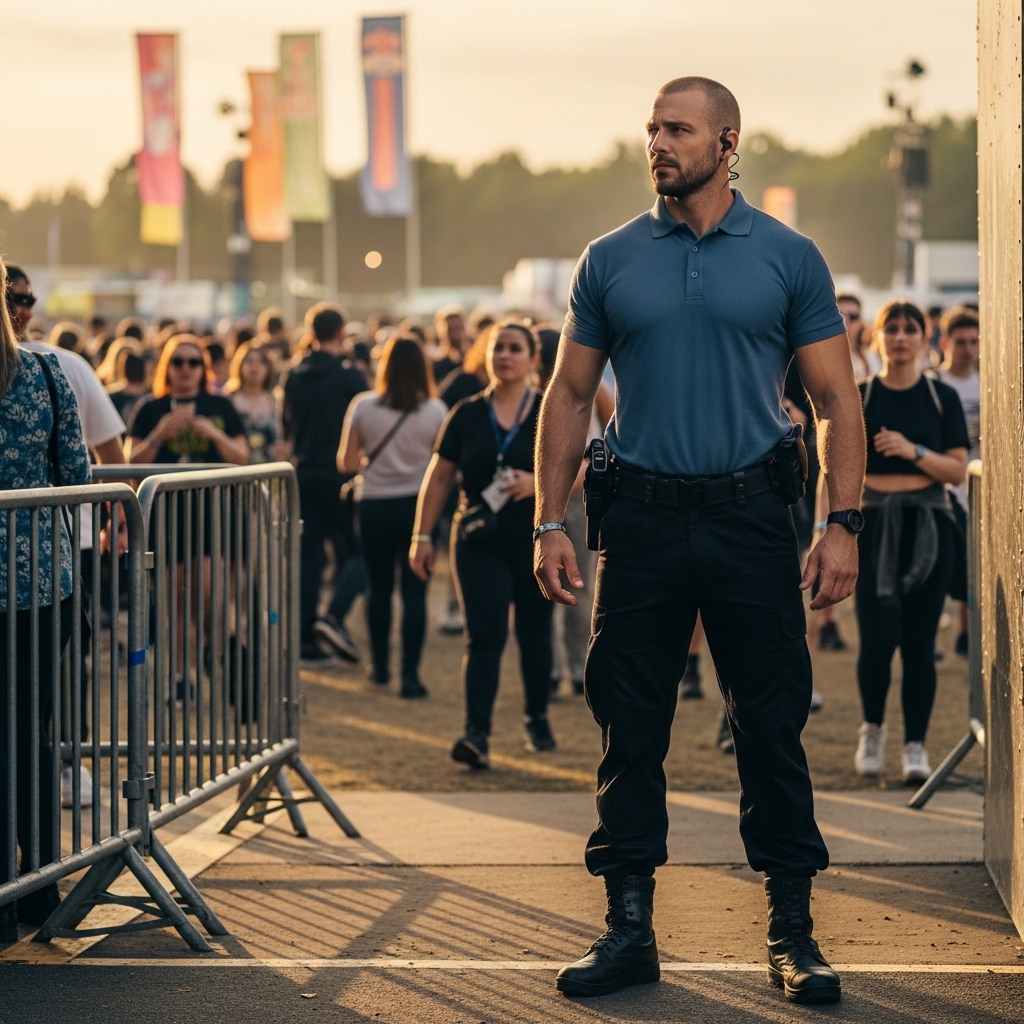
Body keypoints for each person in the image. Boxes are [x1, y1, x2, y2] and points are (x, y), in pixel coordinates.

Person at [534, 78, 865, 1003]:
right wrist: (549, 520)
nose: (657, 143)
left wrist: (842, 524)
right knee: (628, 725)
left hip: (752, 516)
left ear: (727, 142)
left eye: (676, 129)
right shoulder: (609, 259)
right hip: (637, 519)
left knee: (771, 724)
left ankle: (792, 933)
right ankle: (628, 930)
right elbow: (566, 394)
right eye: (651, 128)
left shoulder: (788, 256)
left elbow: (836, 401)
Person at [411, 320, 555, 767]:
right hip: (477, 539)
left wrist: (537, 483)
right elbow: (438, 477)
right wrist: (421, 535)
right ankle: (476, 734)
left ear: (533, 359)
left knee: (534, 632)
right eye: (498, 348)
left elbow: (586, 468)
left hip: (535, 539)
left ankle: (536, 715)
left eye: (515, 348)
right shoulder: (467, 412)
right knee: (485, 634)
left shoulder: (550, 410)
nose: (505, 356)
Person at [1, 256, 92, 941]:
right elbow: (78, 472)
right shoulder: (45, 373)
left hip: (32, 578)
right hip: (39, 577)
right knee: (31, 729)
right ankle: (37, 879)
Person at [845, 301, 968, 783]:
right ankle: (871, 730)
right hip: (873, 523)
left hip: (930, 525)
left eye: (909, 329)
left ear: (923, 338)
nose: (900, 337)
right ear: (877, 338)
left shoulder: (941, 398)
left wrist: (913, 451)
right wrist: (825, 530)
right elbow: (834, 472)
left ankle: (915, 745)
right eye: (891, 329)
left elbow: (957, 468)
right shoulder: (861, 396)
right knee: (875, 642)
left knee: (919, 645)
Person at [339, 337, 447, 696]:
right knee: (415, 592)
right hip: (419, 506)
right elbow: (443, 465)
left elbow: (348, 463)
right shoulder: (435, 411)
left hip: (374, 503)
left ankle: (381, 668)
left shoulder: (363, 406)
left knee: (379, 587)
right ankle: (411, 677)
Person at [282, 306, 368, 665]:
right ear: (341, 332)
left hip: (303, 472)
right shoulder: (349, 377)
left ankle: (306, 640)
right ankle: (333, 616)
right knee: (363, 553)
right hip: (341, 475)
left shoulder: (293, 375)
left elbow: (287, 425)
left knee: (309, 558)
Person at [126, 336, 249, 467]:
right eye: (178, 362)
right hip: (165, 486)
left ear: (203, 368)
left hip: (212, 486)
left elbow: (242, 458)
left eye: (193, 362)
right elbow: (130, 461)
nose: (185, 368)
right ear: (167, 367)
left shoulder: (221, 404)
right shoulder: (148, 407)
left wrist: (215, 434)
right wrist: (158, 436)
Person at [937, 305, 980, 656]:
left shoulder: (988, 381)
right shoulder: (934, 385)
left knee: (975, 562)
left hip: (980, 485)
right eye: (962, 341)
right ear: (946, 343)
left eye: (975, 341)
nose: (969, 348)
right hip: (944, 487)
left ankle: (968, 631)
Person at [225, 343, 287, 465]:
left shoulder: (276, 399)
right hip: (236, 470)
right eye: (249, 361)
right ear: (239, 365)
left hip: (269, 468)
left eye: (261, 361)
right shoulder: (228, 399)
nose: (255, 366)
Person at [431, 305, 470, 385]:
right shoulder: (435, 365)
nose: (454, 334)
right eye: (450, 329)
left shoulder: (473, 361)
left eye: (458, 328)